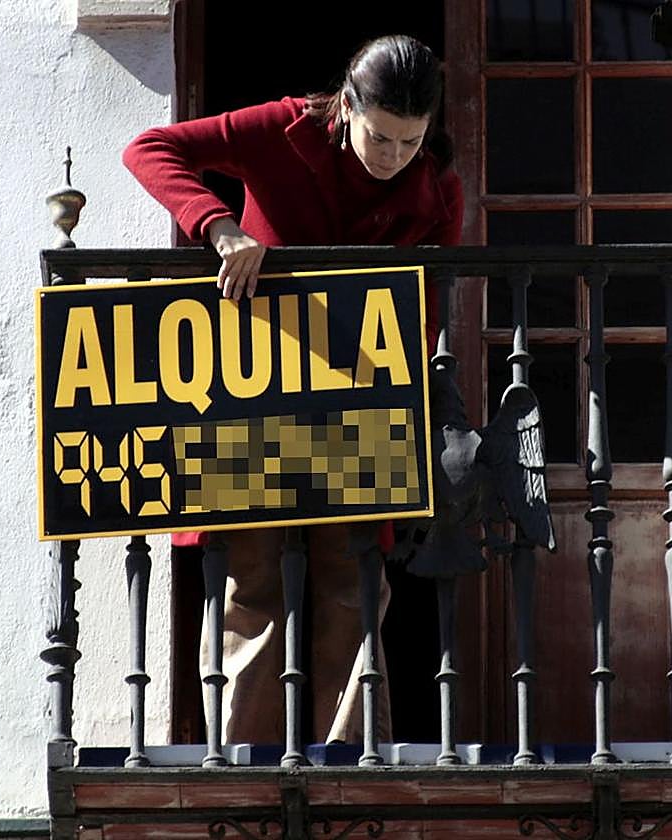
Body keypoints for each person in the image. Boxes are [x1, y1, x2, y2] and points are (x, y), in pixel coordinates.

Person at [122, 34, 463, 746]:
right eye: (381, 136)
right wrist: (218, 228)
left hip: (361, 406)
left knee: (356, 589)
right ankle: (241, 765)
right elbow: (150, 148)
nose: (394, 155)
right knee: (253, 589)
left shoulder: (438, 188)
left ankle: (348, 765)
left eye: (411, 141)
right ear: (346, 106)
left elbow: (426, 309)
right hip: (254, 395)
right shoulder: (282, 130)